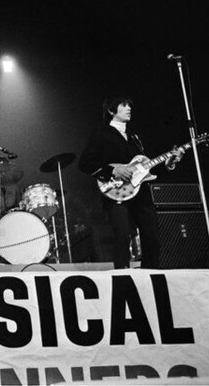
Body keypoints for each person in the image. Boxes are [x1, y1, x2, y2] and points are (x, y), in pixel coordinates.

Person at [78, 95, 184, 269]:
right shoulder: (101, 133)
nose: (129, 108)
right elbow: (84, 163)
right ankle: (123, 278)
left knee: (152, 237)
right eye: (123, 105)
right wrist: (113, 170)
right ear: (111, 110)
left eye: (129, 105)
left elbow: (146, 168)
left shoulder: (134, 137)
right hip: (116, 191)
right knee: (122, 235)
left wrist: (170, 162)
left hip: (141, 193)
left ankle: (151, 276)